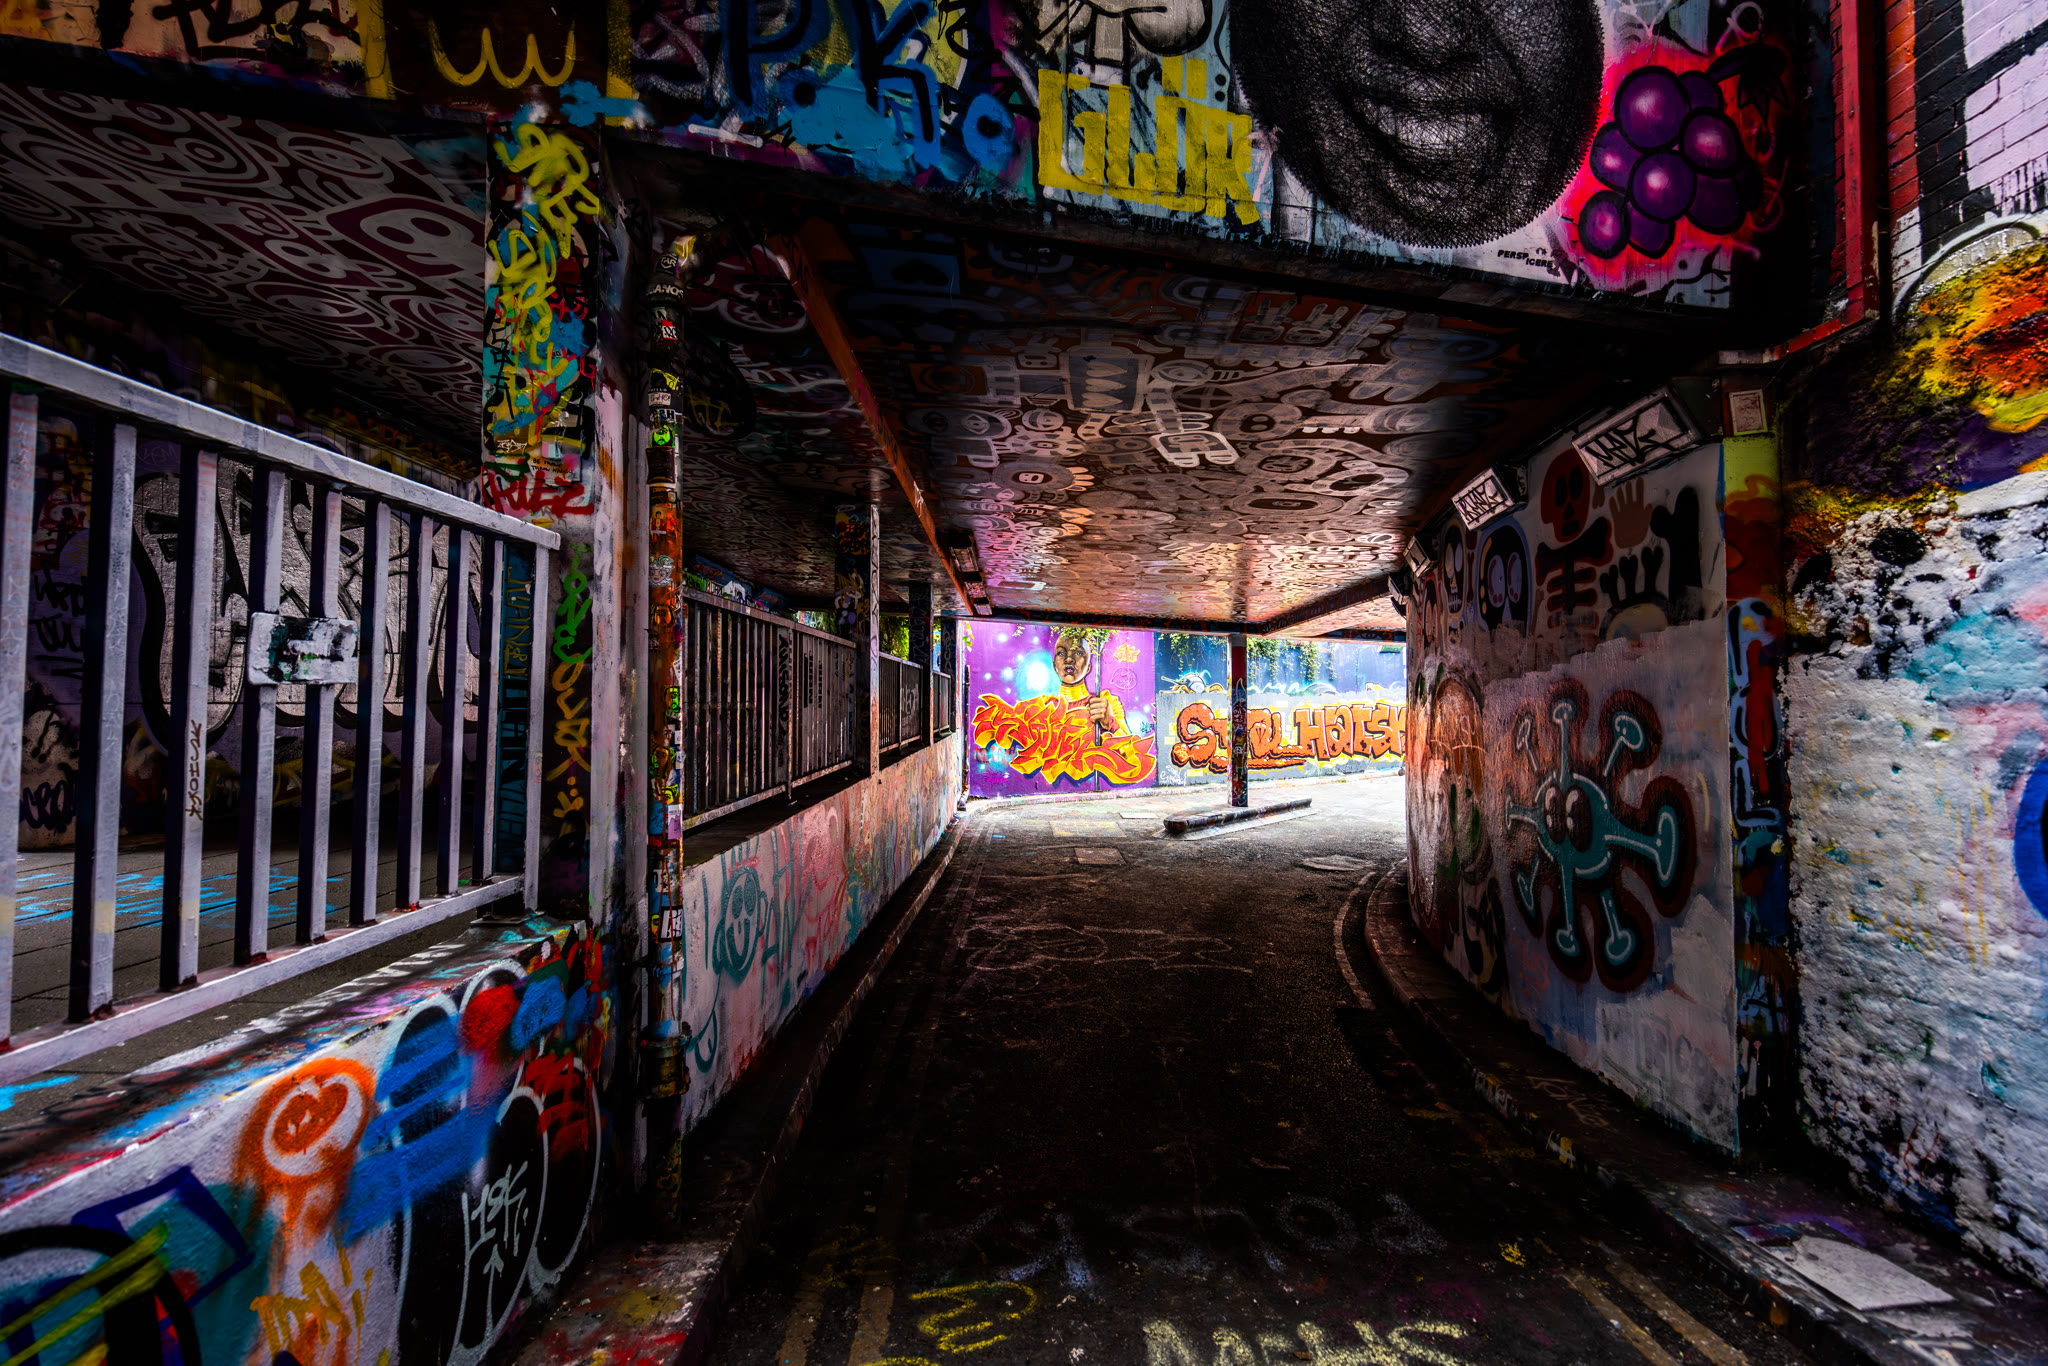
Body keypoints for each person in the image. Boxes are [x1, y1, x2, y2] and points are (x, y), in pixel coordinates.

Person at [1051, 628, 1128, 745]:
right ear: (1054, 665)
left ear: (1088, 667)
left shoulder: (1106, 704)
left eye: (1078, 653)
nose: (1069, 659)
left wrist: (1110, 723)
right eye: (1061, 653)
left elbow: (1133, 750)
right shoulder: (1046, 707)